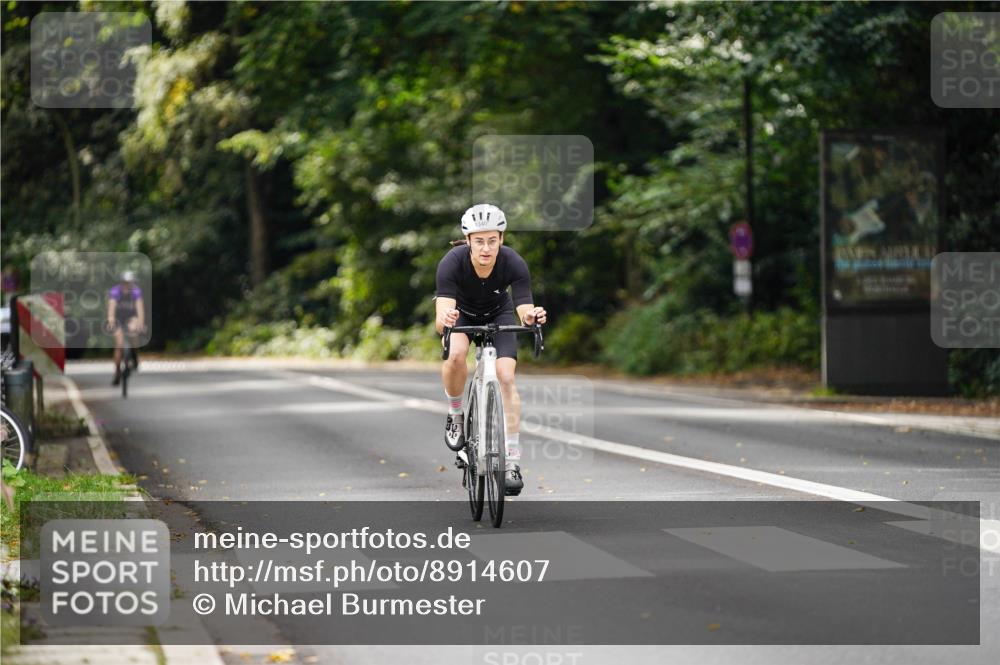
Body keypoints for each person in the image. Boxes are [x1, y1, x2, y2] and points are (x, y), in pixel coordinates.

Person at [434, 204, 547, 496]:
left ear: (502, 238)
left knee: (506, 377)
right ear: (468, 240)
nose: (486, 248)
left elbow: (523, 307)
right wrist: (446, 319)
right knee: (457, 355)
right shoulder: (451, 262)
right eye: (479, 240)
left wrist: (531, 316)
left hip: (500, 313)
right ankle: (456, 413)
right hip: (462, 313)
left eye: (492, 240)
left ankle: (511, 461)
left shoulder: (513, 262)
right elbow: (441, 318)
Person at [106, 270, 145, 386]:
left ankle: (134, 355)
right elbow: (111, 308)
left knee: (133, 331)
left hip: (130, 317)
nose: (127, 285)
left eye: (130, 283)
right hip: (118, 318)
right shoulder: (115, 292)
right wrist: (111, 320)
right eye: (125, 283)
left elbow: (140, 308)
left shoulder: (136, 292)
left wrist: (141, 322)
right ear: (121, 283)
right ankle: (117, 371)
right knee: (119, 344)